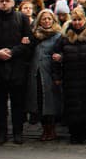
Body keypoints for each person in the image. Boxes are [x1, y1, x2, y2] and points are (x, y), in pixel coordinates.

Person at [0, 0, 33, 146]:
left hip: (17, 66)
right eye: (1, 1)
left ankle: (18, 132)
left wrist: (12, 52)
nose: (4, 3)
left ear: (13, 3)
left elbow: (28, 42)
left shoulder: (22, 18)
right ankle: (1, 133)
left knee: (18, 103)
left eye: (7, 1)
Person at [52, 8, 86, 144]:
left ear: (84, 20)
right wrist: (57, 75)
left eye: (79, 20)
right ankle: (74, 133)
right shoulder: (64, 37)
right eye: (74, 20)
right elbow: (55, 56)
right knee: (72, 106)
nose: (77, 22)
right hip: (70, 77)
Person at [26, 9, 62, 141]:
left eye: (49, 19)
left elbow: (62, 52)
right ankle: (44, 129)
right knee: (38, 102)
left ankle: (51, 129)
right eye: (44, 19)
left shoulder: (58, 35)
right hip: (35, 73)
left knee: (51, 102)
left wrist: (60, 58)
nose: (46, 21)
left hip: (50, 73)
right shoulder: (34, 35)